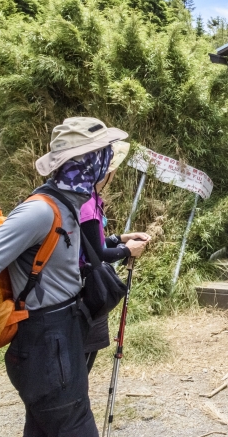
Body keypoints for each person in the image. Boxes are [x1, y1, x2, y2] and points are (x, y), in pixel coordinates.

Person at [0, 116, 129, 437]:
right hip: (46, 346)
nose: (109, 159)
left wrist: (117, 244)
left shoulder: (71, 204)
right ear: (88, 161)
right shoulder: (40, 211)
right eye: (104, 152)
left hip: (61, 338)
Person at [79, 140, 151, 373]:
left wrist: (122, 238)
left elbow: (93, 243)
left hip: (85, 289)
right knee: (82, 362)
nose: (115, 172)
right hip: (85, 291)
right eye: (112, 168)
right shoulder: (87, 204)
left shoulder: (89, 199)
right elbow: (97, 255)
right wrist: (127, 251)